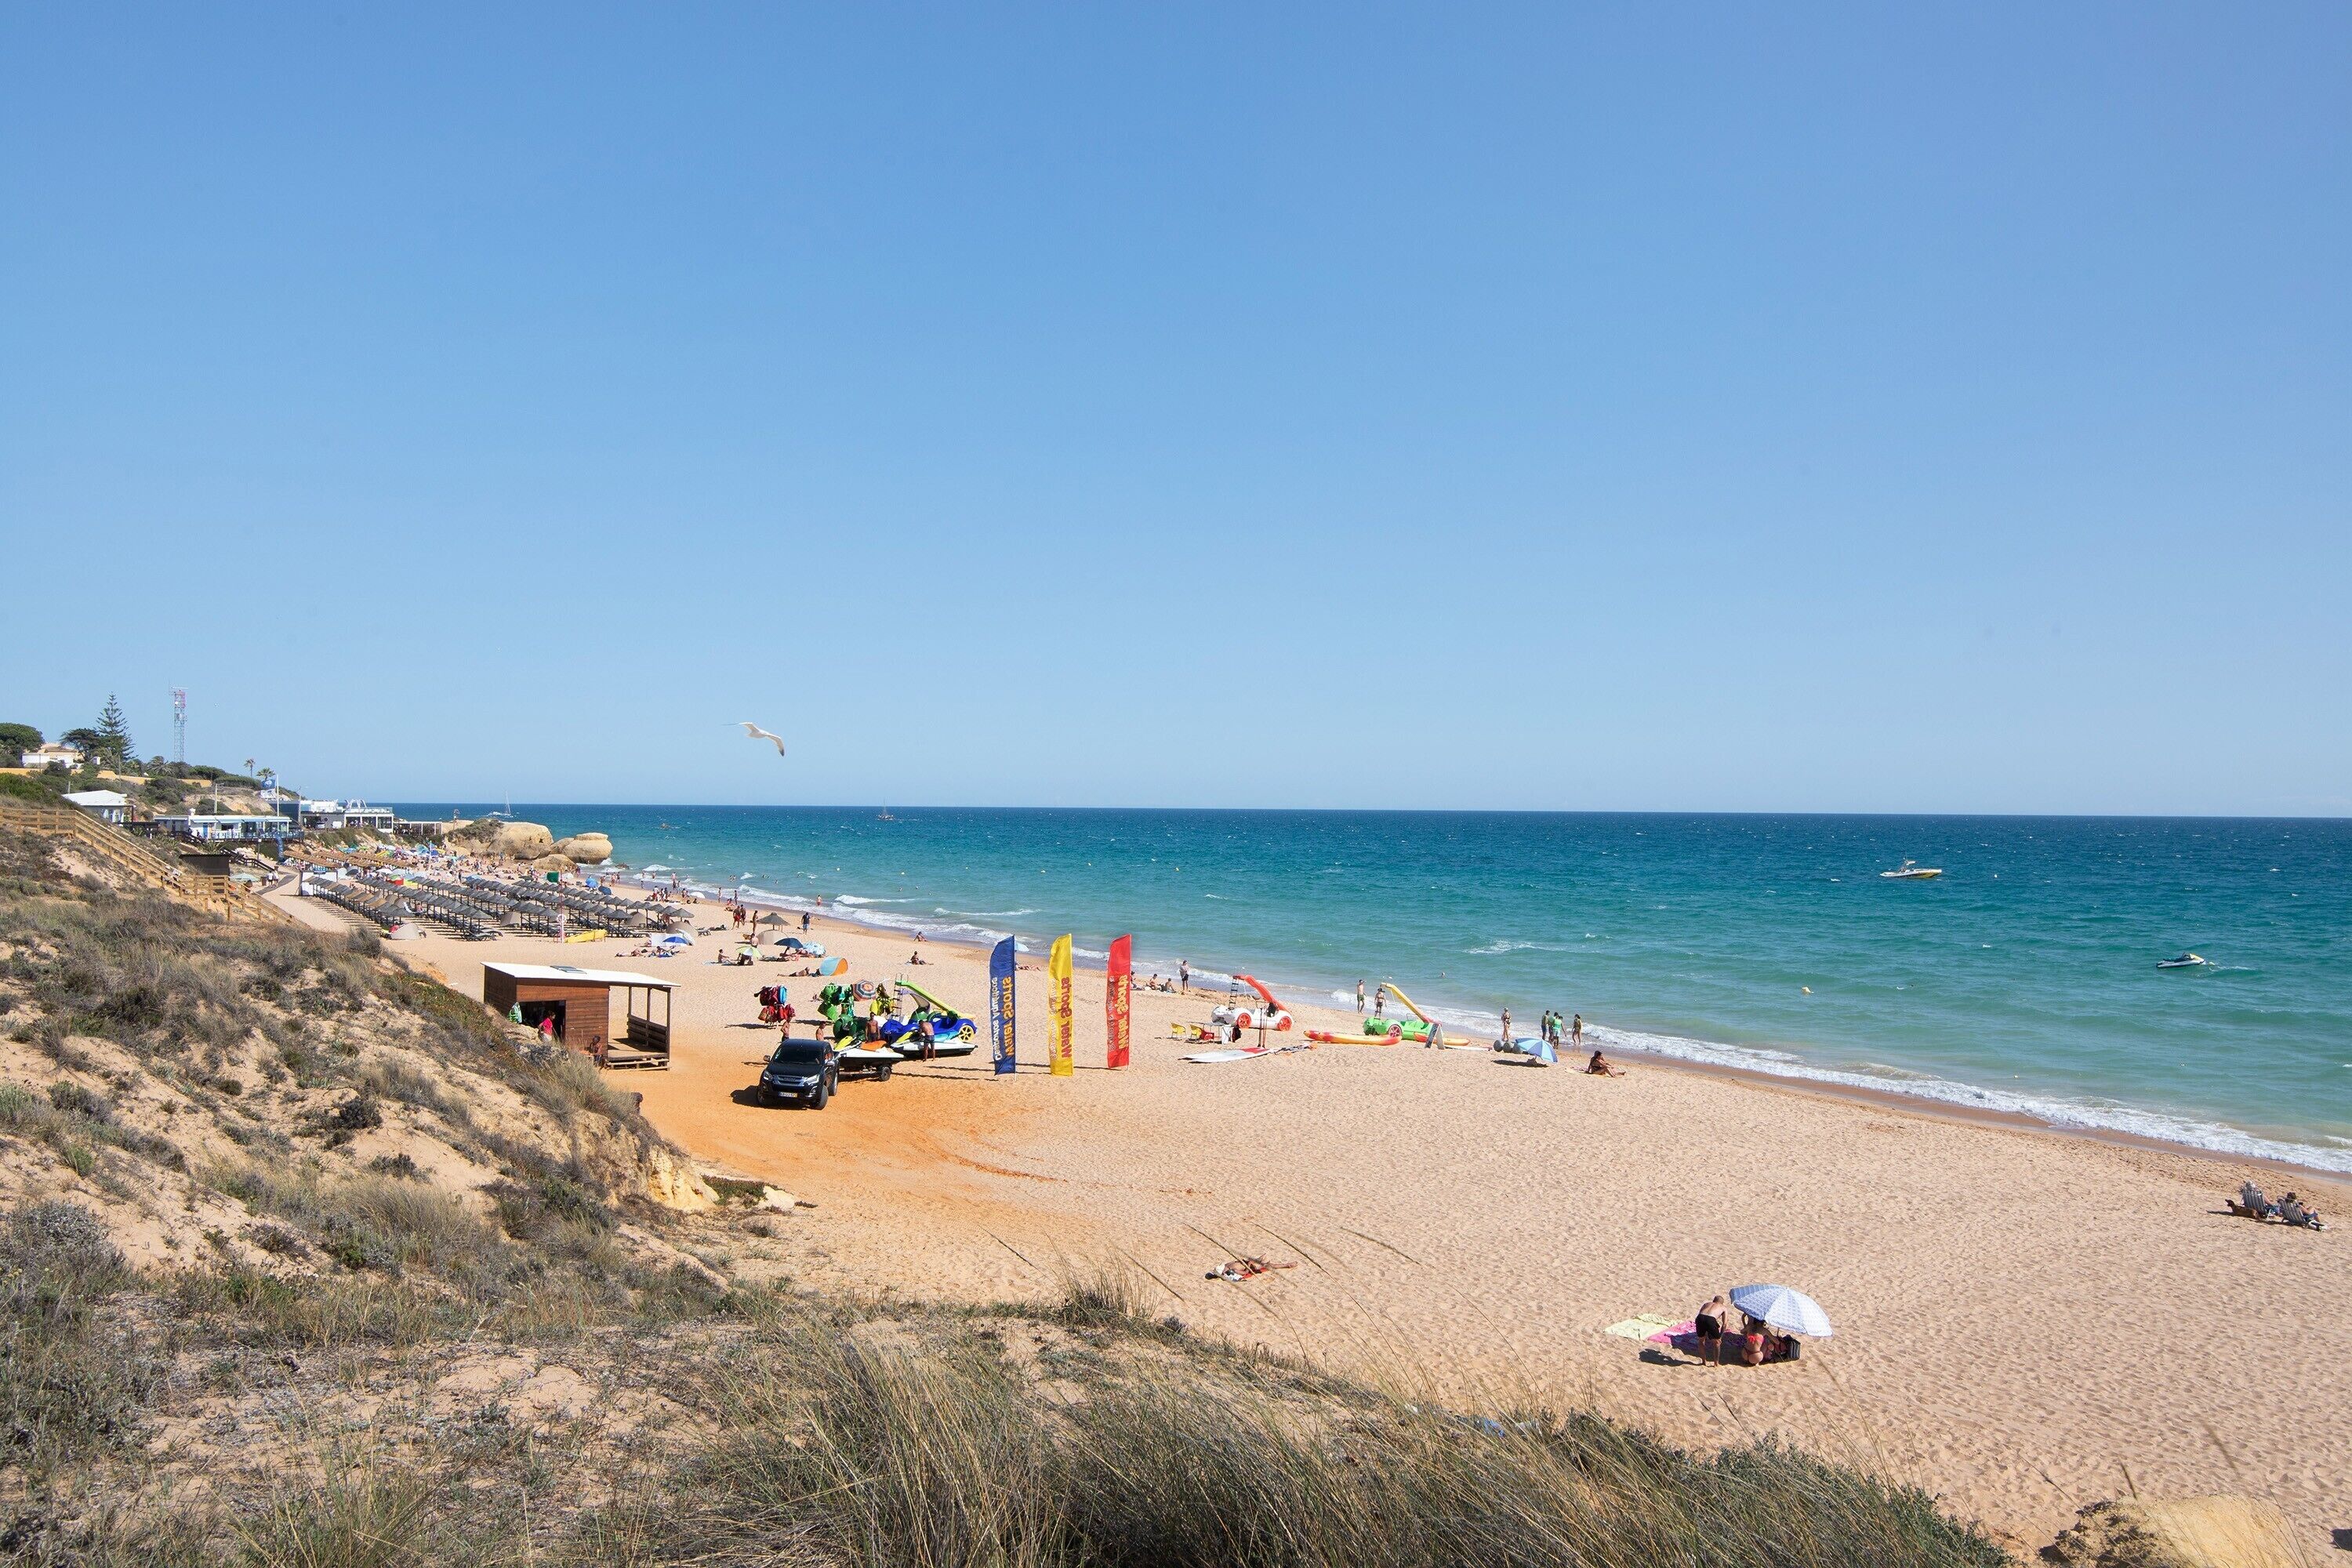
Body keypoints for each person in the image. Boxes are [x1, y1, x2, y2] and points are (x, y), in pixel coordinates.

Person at [1695, 1295, 1728, 1364]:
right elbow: (1724, 1324)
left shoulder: (1706, 1304)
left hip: (1700, 1318)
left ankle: (1703, 1362)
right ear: (1722, 1303)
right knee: (1717, 1343)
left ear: (1713, 1301)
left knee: (1701, 1341)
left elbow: (1702, 1317)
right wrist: (1720, 1336)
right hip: (1710, 1319)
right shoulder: (1723, 1308)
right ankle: (1716, 1363)